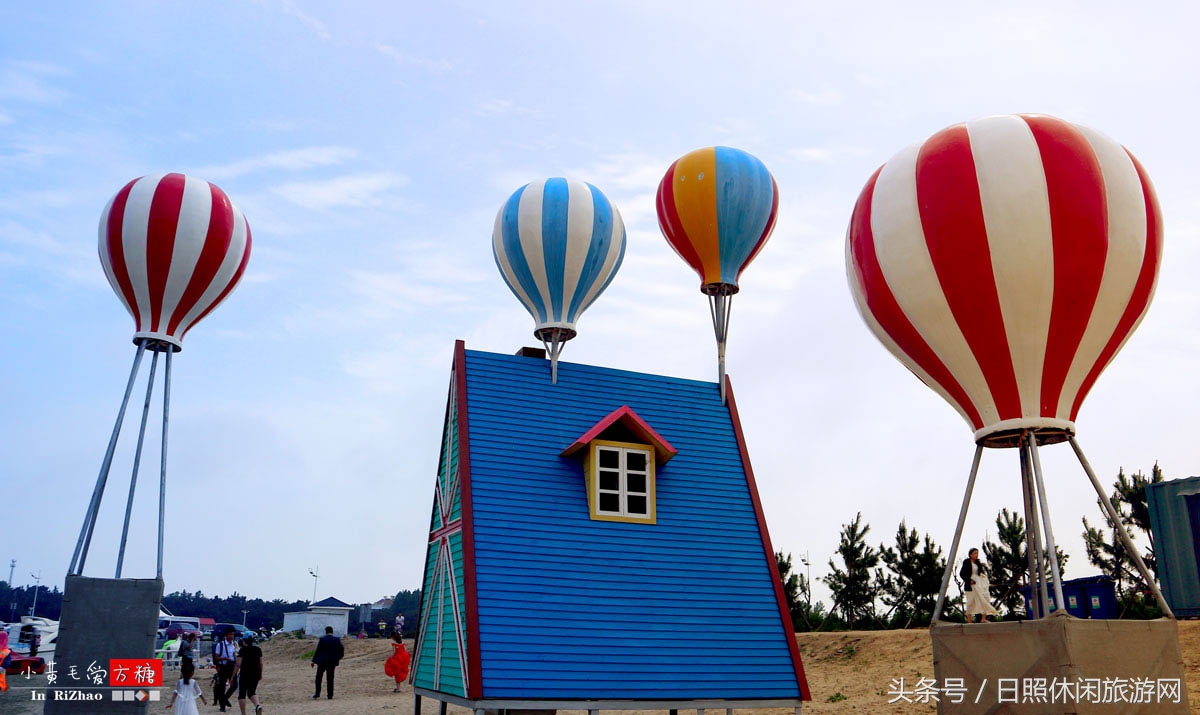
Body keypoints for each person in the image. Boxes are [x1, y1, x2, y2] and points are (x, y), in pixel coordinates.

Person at [960, 547, 1000, 623]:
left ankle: (983, 618)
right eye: (975, 553)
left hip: (979, 582)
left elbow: (980, 573)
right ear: (970, 554)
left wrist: (985, 580)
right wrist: (969, 581)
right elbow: (962, 574)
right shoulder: (967, 562)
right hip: (971, 584)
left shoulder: (978, 562)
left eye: (977, 553)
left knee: (984, 598)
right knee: (971, 601)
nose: (976, 555)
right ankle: (969, 619)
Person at [231, 634, 263, 715]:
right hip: (255, 674)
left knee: (242, 694)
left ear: (244, 641)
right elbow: (261, 663)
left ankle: (243, 713)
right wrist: (260, 674)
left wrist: (233, 676)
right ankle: (257, 705)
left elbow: (238, 664)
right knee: (252, 692)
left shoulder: (242, 650)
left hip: (244, 674)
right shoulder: (258, 649)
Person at [311, 626, 344, 700]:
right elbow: (341, 649)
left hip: (322, 661)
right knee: (330, 678)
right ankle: (330, 695)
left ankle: (317, 693)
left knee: (319, 677)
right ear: (332, 632)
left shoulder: (322, 639)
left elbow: (318, 651)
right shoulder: (337, 640)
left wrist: (314, 661)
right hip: (332, 662)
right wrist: (339, 657)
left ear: (326, 632)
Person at [212, 628, 240, 711]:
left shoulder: (233, 644)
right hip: (223, 667)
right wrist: (225, 658)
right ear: (226, 635)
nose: (232, 636)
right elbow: (216, 657)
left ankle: (224, 699)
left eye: (233, 634)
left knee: (234, 685)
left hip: (231, 666)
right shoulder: (220, 645)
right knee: (221, 687)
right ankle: (222, 706)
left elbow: (234, 654)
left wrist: (234, 657)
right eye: (230, 634)